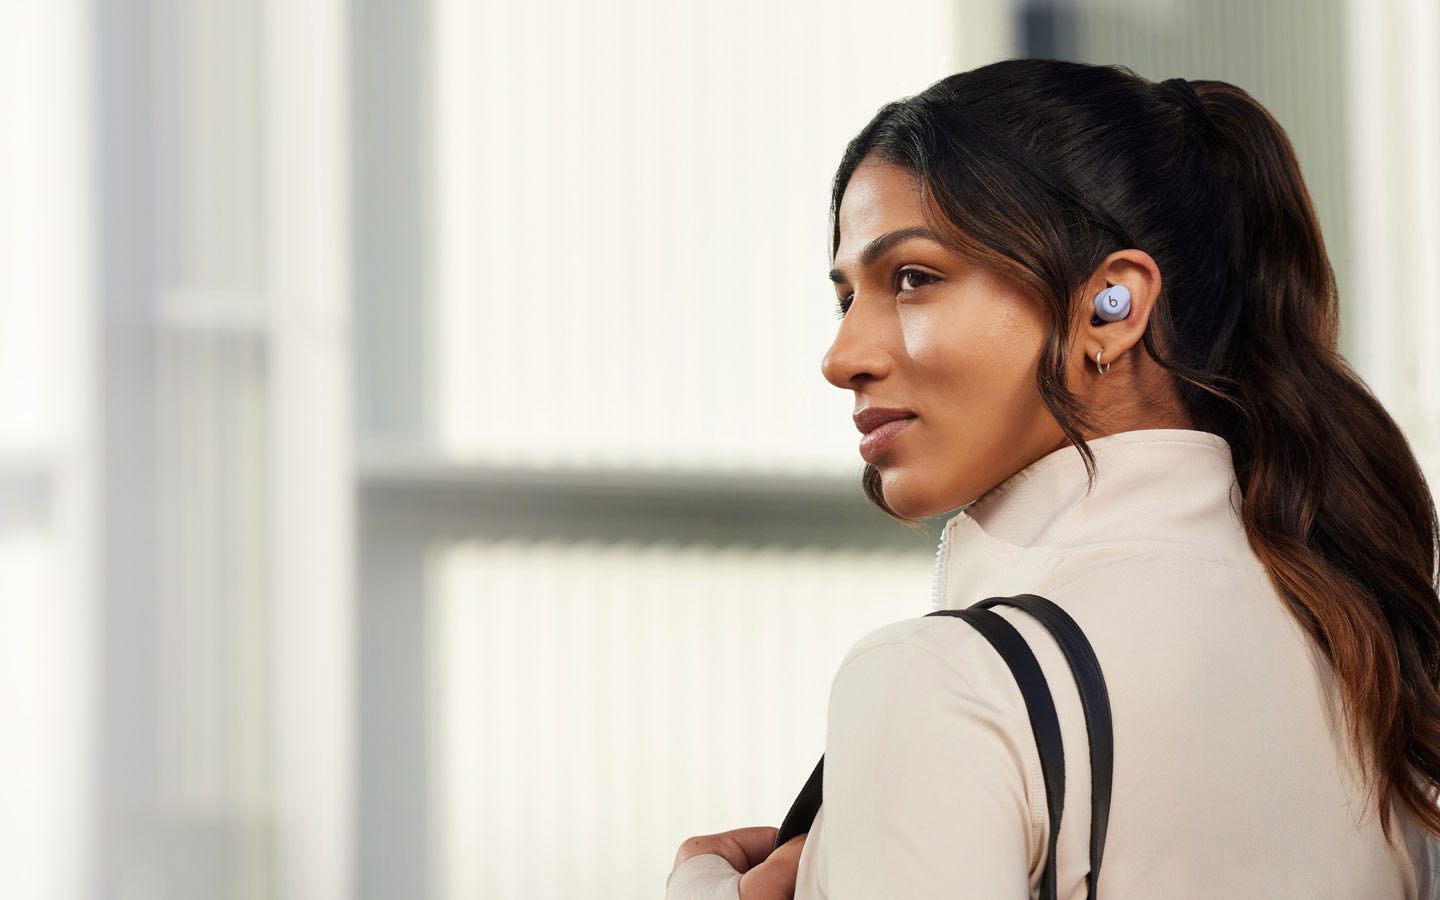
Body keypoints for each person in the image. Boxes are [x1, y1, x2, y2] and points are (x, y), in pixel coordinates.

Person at [665, 58, 1440, 898]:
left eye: (914, 279)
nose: (842, 357)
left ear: (1112, 301)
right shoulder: (1365, 653)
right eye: (845, 297)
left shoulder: (946, 683)